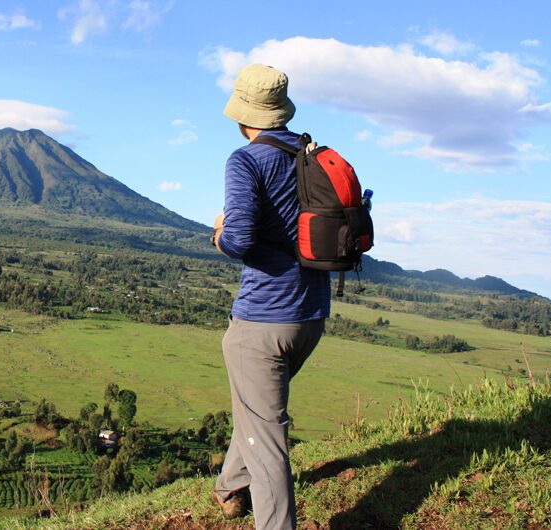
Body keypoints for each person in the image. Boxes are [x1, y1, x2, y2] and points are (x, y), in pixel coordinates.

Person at [210, 63, 330, 529]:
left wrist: (219, 233)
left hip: (263, 321)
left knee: (267, 435)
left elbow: (238, 239)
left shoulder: (246, 159)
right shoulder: (312, 155)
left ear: (243, 115)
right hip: (312, 315)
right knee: (257, 413)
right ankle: (228, 489)